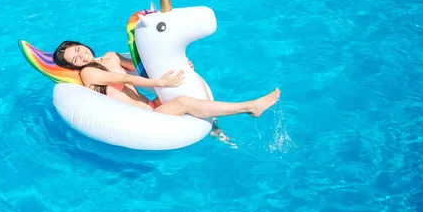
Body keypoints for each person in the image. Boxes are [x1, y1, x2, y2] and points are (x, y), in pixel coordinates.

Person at [52, 41, 280, 144]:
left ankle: (215, 129)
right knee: (182, 102)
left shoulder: (110, 56)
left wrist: (181, 66)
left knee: (183, 88)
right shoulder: (88, 75)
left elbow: (144, 65)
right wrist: (159, 82)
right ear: (73, 66)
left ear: (84, 45)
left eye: (79, 49)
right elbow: (123, 78)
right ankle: (249, 107)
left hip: (153, 105)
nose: (81, 56)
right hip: (143, 118)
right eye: (75, 58)